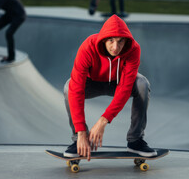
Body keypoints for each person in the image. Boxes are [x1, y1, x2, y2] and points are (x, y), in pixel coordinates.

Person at [63, 14, 156, 161]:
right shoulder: (88, 46)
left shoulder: (133, 49)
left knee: (142, 84)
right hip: (92, 83)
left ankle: (135, 140)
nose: (115, 47)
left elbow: (125, 89)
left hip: (117, 83)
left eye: (120, 42)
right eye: (111, 41)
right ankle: (78, 140)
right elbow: (77, 88)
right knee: (69, 87)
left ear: (126, 40)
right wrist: (81, 131)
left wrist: (103, 121)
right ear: (104, 39)